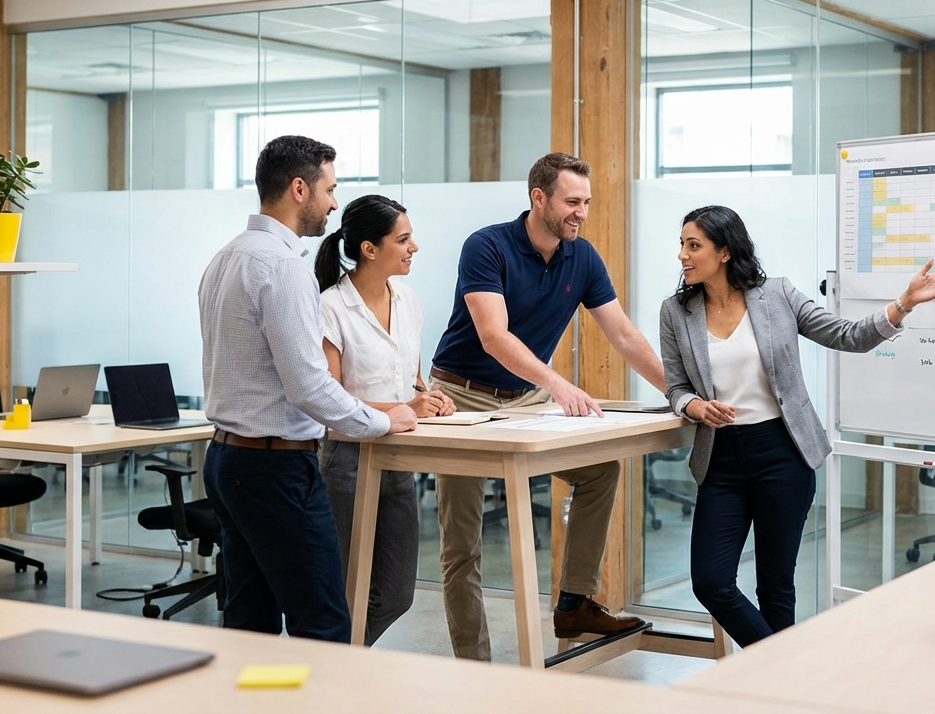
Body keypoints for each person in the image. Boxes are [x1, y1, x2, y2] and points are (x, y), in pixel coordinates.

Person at [658, 205, 935, 648]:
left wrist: (903, 304)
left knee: (776, 589)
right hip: (720, 460)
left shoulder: (777, 295)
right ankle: (786, 668)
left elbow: (848, 335)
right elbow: (676, 386)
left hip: (782, 454)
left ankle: (779, 692)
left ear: (724, 252)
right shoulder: (676, 311)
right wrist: (694, 408)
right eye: (682, 246)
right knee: (710, 581)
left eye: (693, 245)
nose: (683, 256)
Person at [427, 152, 667, 661]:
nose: (582, 212)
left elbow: (621, 332)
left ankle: (574, 603)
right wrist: (559, 385)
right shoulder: (486, 246)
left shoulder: (582, 256)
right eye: (572, 201)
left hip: (527, 396)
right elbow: (494, 337)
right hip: (461, 396)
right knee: (461, 545)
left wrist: (678, 390)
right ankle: (476, 665)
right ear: (539, 198)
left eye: (586, 202)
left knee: (599, 470)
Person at [198, 135, 418, 644]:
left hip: (227, 461)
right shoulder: (282, 267)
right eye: (329, 189)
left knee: (248, 621)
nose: (335, 203)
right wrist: (385, 419)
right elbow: (309, 385)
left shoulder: (226, 256)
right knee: (323, 621)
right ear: (300, 189)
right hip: (276, 469)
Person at [313, 194, 455, 646]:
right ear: (369, 249)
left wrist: (427, 398)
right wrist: (402, 410)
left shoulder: (408, 300)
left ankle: (335, 658)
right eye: (404, 239)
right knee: (344, 589)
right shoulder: (330, 307)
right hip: (348, 460)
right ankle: (332, 673)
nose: (414, 248)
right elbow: (330, 401)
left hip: (397, 458)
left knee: (396, 592)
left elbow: (408, 378)